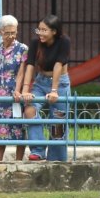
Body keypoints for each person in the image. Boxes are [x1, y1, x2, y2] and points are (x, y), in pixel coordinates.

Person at [20, 15, 71, 162]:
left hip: (59, 82)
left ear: (54, 31)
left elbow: (58, 65)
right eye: (39, 29)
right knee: (29, 109)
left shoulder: (63, 42)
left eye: (44, 30)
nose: (40, 33)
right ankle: (38, 149)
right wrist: (25, 90)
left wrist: (54, 90)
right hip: (40, 82)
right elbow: (30, 65)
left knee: (58, 121)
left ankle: (56, 158)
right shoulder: (36, 42)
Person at [0, 15, 29, 162]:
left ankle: (18, 161)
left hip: (14, 94)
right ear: (0, 32)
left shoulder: (22, 49)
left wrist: (18, 90)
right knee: (0, 129)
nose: (10, 36)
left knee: (19, 128)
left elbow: (21, 73)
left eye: (13, 32)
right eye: (7, 32)